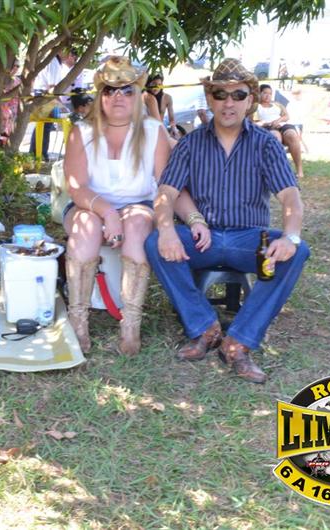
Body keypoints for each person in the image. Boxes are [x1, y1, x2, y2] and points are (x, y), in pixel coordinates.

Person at [144, 58, 309, 384]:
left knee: (298, 251)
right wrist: (166, 229)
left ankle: (238, 341)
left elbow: (291, 197)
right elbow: (166, 192)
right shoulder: (191, 143)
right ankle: (204, 327)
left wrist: (290, 236)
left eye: (238, 94)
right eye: (220, 94)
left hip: (249, 239)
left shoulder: (266, 144)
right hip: (203, 237)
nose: (228, 102)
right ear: (209, 98)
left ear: (250, 100)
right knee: (154, 243)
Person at [62, 56, 172, 356]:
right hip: (88, 206)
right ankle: (78, 321)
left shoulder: (153, 130)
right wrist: (108, 213)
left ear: (139, 94)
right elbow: (76, 187)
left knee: (136, 223)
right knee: (87, 225)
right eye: (109, 90)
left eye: (127, 90)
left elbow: (165, 186)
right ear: (100, 96)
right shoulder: (82, 131)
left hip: (139, 205)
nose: (118, 97)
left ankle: (130, 323)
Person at [252, 84, 304, 178]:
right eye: (265, 93)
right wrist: (265, 123)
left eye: (270, 94)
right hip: (267, 127)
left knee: (292, 135)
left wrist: (279, 120)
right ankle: (279, 170)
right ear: (259, 93)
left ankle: (299, 171)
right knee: (275, 137)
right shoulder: (256, 106)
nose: (268, 96)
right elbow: (251, 122)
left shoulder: (277, 104)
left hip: (282, 125)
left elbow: (286, 116)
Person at [143, 73, 178, 139]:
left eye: (159, 84)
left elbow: (171, 118)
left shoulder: (167, 98)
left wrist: (173, 128)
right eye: (153, 84)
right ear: (148, 84)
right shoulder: (145, 97)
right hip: (146, 129)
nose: (156, 87)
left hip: (160, 127)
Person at [0, 59, 22, 143]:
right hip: (3, 111)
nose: (16, 68)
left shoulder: (18, 80)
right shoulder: (1, 80)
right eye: (14, 65)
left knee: (9, 131)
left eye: (18, 66)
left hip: (14, 112)